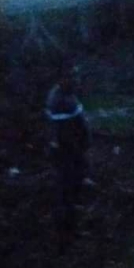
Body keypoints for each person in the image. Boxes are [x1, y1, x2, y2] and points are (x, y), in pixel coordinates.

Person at [45, 60, 92, 235]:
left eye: (76, 75)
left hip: (73, 149)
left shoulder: (68, 94)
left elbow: (79, 122)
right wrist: (79, 150)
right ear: (62, 78)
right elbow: (63, 134)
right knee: (66, 187)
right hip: (67, 151)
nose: (77, 79)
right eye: (72, 76)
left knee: (74, 180)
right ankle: (67, 228)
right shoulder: (59, 100)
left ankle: (73, 211)